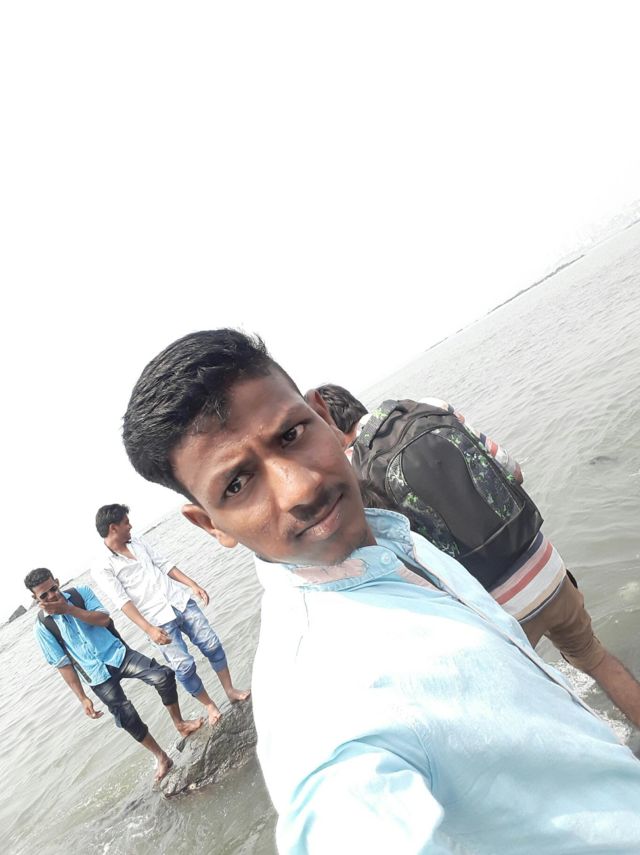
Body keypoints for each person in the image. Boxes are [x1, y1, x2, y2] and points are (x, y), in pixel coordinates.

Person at [121, 329, 640, 853]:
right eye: (237, 484)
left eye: (291, 435)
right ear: (210, 525)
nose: (301, 488)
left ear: (324, 416)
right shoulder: (323, 713)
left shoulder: (391, 537)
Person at [311, 384, 640, 729]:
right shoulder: (429, 407)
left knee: (543, 712)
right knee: (597, 659)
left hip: (499, 611)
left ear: (329, 425)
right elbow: (514, 472)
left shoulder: (357, 474)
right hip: (545, 564)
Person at [26, 567, 203, 782]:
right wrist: (82, 698)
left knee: (163, 676)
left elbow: (103, 619)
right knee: (126, 716)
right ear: (35, 598)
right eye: (44, 595)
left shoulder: (81, 593)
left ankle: (180, 724)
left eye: (53, 589)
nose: (51, 596)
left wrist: (69, 609)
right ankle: (161, 757)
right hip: (95, 674)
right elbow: (63, 665)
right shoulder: (42, 627)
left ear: (57, 581)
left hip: (119, 654)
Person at [92, 504, 249, 727]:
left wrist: (192, 585)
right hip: (157, 620)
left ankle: (230, 690)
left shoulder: (138, 541)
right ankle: (209, 705)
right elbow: (122, 602)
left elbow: (164, 565)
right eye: (126, 523)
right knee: (184, 666)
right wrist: (149, 630)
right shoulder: (102, 566)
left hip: (179, 601)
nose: (131, 526)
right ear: (113, 528)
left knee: (212, 644)